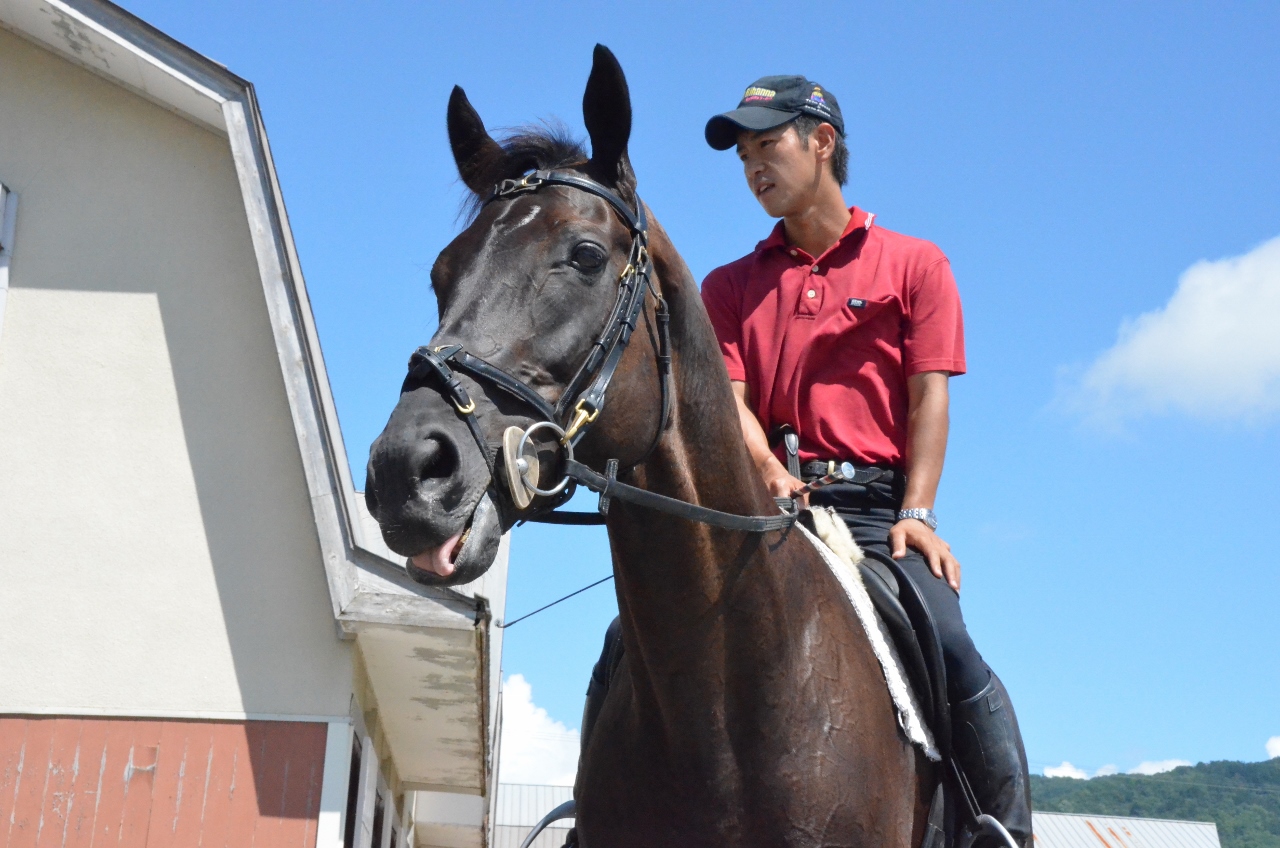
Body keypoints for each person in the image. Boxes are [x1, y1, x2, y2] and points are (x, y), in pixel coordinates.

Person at [575, 76, 1032, 848]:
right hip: (767, 507)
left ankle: (1003, 831)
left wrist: (917, 513)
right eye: (743, 154)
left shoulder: (916, 265)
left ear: (821, 142)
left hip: (873, 513)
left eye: (767, 145)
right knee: (628, 640)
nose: (753, 166)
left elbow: (928, 400)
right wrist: (772, 473)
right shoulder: (726, 287)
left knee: (948, 639)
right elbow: (731, 404)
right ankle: (584, 825)